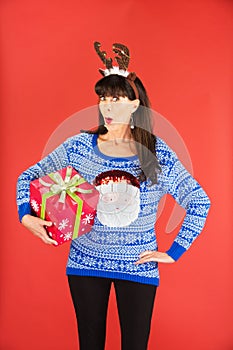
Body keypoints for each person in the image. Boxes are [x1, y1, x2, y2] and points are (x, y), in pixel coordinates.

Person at [16, 42, 211, 350]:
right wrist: (26, 215)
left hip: (138, 267)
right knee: (89, 344)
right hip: (85, 264)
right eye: (103, 98)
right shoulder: (78, 147)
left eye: (116, 99)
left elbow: (199, 200)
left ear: (135, 104)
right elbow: (27, 177)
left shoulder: (156, 153)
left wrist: (175, 252)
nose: (107, 107)